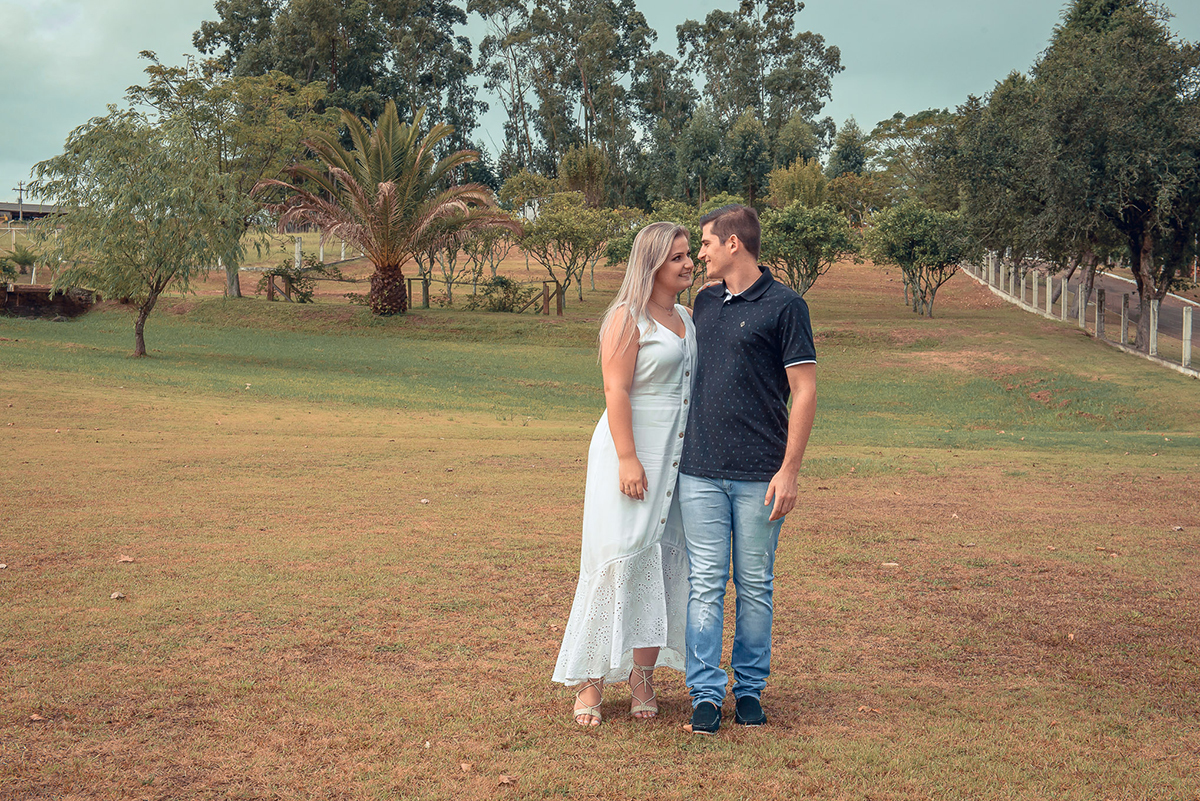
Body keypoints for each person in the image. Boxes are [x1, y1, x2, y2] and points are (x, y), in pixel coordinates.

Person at [678, 204, 817, 735]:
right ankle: (707, 694)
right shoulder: (705, 302)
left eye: (707, 242)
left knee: (755, 584)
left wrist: (790, 471)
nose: (702, 253)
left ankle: (750, 690)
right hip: (700, 471)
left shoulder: (786, 306)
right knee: (705, 583)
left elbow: (803, 391)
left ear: (734, 243)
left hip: (761, 472)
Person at [552, 222, 698, 726]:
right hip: (629, 452)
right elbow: (616, 392)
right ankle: (590, 681)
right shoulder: (626, 318)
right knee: (615, 558)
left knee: (658, 563)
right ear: (652, 263)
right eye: (677, 257)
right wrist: (628, 458)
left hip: (675, 458)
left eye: (688, 254)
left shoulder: (685, 317)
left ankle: (642, 676)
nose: (687, 263)